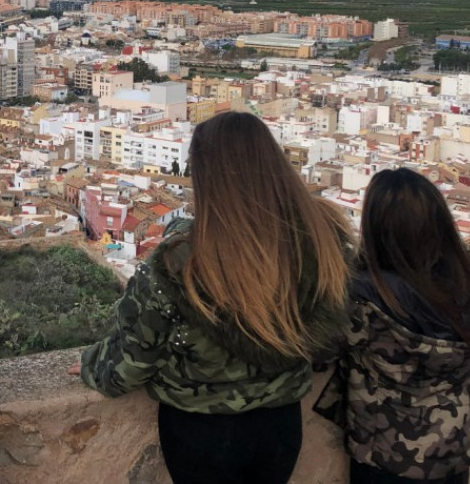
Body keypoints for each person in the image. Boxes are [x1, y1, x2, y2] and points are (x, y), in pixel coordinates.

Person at [74, 111, 351, 484]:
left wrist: (94, 365)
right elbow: (328, 332)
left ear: (205, 175)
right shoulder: (319, 243)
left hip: (199, 430)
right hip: (280, 424)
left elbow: (136, 356)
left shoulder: (181, 260)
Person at [315, 168, 470, 484]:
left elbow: (319, 351)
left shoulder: (363, 299)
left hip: (381, 457)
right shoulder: (462, 287)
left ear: (375, 229)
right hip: (450, 457)